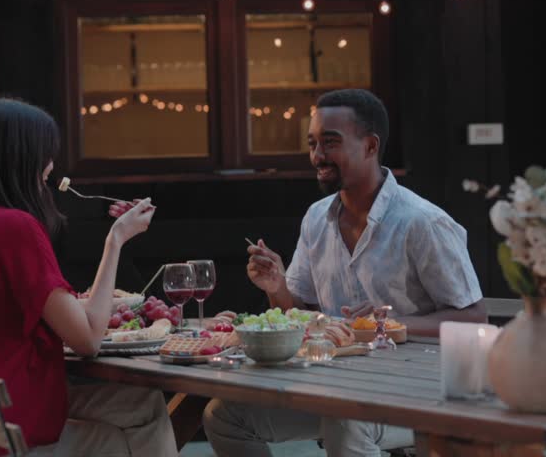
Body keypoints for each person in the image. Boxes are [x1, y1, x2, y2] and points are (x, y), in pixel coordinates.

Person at [203, 89, 486, 457]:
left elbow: (474, 318)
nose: (318, 156)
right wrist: (277, 287)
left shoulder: (422, 222)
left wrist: (385, 324)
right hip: (332, 383)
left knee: (345, 419)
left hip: (419, 392)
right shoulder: (316, 218)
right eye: (313, 143)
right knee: (224, 416)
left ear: (370, 146)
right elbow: (298, 309)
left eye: (330, 143)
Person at [0, 98, 178, 457]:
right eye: (45, 153)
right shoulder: (14, 228)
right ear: (20, 158)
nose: (50, 164)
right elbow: (88, 341)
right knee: (140, 415)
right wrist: (116, 240)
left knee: (134, 406)